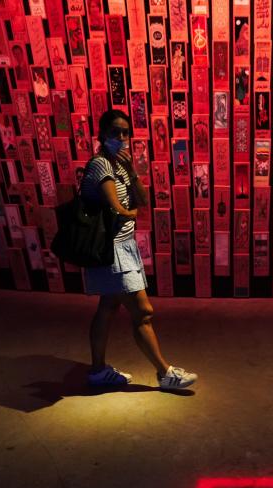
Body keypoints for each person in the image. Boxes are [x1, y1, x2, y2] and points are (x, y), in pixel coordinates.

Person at [81, 109, 198, 389]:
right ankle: (165, 373)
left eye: (125, 132)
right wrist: (127, 212)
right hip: (113, 250)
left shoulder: (121, 166)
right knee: (143, 311)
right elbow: (116, 206)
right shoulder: (100, 165)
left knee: (108, 306)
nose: (121, 138)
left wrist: (133, 172)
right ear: (101, 135)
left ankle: (98, 371)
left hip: (125, 247)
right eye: (114, 132)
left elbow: (143, 200)